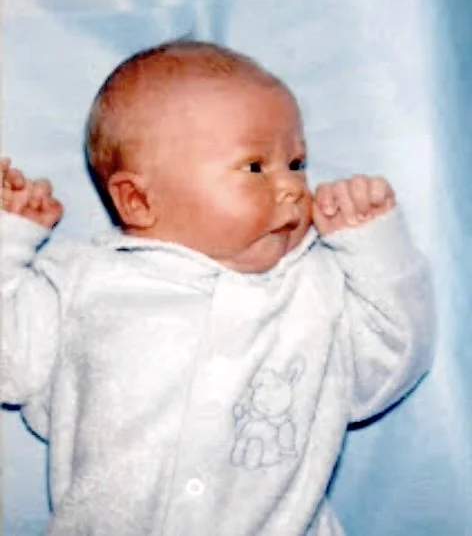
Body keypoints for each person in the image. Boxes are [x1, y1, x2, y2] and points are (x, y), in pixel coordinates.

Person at [0, 40, 434, 536]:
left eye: (296, 163)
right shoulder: (84, 284)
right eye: (255, 167)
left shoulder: (316, 287)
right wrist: (8, 239)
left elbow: (391, 363)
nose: (292, 187)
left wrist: (373, 246)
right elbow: (10, 363)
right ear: (139, 200)